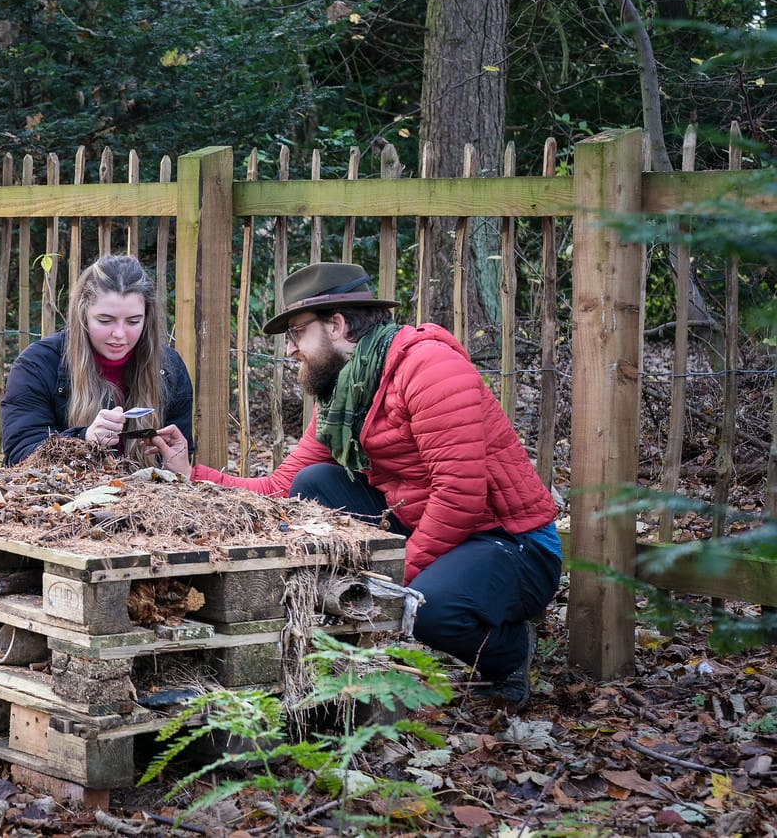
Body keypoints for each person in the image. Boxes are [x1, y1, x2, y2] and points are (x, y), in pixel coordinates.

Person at [148, 262, 560, 708]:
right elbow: (281, 488)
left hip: (512, 544)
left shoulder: (428, 367)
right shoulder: (345, 395)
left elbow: (459, 493)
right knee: (313, 481)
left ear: (337, 325)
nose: (290, 351)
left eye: (296, 334)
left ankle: (512, 651)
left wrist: (393, 583)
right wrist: (189, 473)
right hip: (435, 530)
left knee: (426, 607)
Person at [0, 254, 194, 466]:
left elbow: (180, 459)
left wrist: (178, 466)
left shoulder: (169, 367)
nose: (119, 334)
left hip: (146, 496)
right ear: (83, 313)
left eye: (133, 321)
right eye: (105, 320)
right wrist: (83, 439)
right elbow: (19, 456)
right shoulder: (37, 365)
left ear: (147, 318)